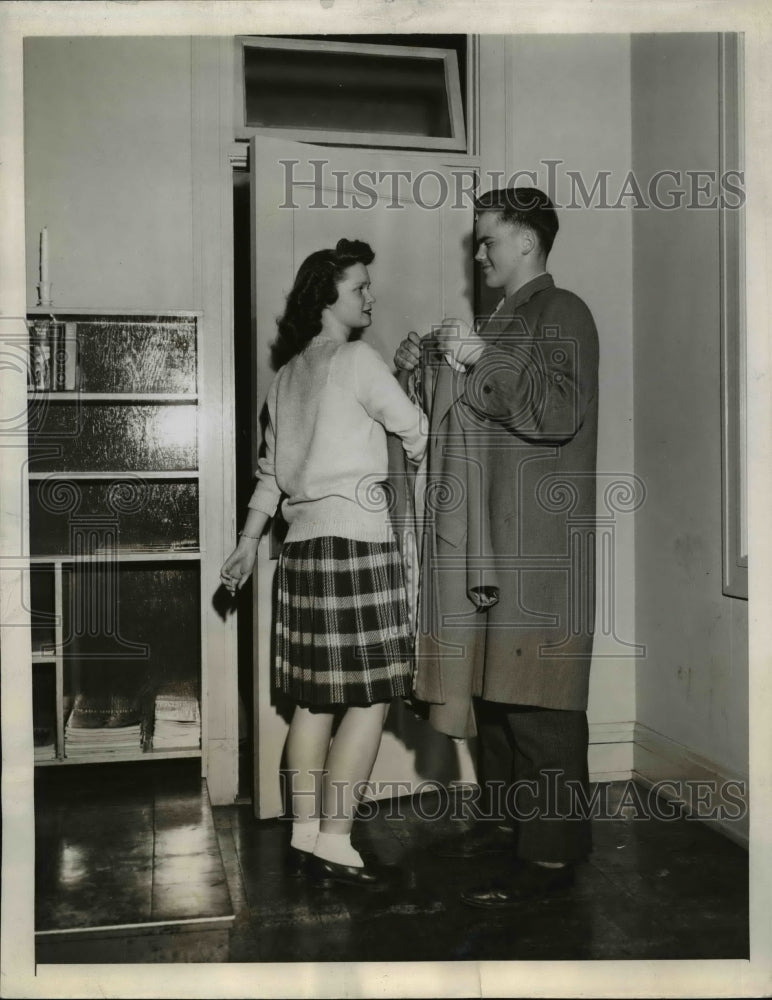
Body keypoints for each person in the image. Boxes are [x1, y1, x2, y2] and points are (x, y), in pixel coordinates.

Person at [393, 187, 599, 907]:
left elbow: (560, 409)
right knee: (499, 699)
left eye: (488, 240)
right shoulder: (503, 319)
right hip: (493, 545)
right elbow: (461, 417)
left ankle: (551, 858)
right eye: (477, 243)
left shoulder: (562, 309)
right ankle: (515, 836)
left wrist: (480, 355)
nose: (478, 254)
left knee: (541, 704)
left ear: (527, 243)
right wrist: (418, 367)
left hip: (538, 544)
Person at [221, 238, 426, 890]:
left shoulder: (285, 380)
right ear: (327, 297)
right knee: (369, 701)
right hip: (358, 544)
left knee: (313, 704)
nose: (371, 297)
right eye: (360, 287)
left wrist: (249, 542)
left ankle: (305, 833)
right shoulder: (358, 360)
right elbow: (417, 429)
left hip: (301, 553)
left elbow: (268, 480)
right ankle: (337, 839)